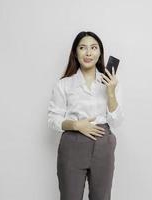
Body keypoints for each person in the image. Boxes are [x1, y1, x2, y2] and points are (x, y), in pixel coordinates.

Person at [47, 31, 124, 200]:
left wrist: (110, 92)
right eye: (83, 48)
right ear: (76, 52)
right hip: (72, 144)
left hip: (103, 144)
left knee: (102, 197)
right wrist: (76, 125)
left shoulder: (110, 83)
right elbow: (53, 120)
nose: (88, 53)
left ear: (100, 53)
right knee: (70, 196)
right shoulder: (64, 84)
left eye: (93, 48)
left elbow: (116, 121)